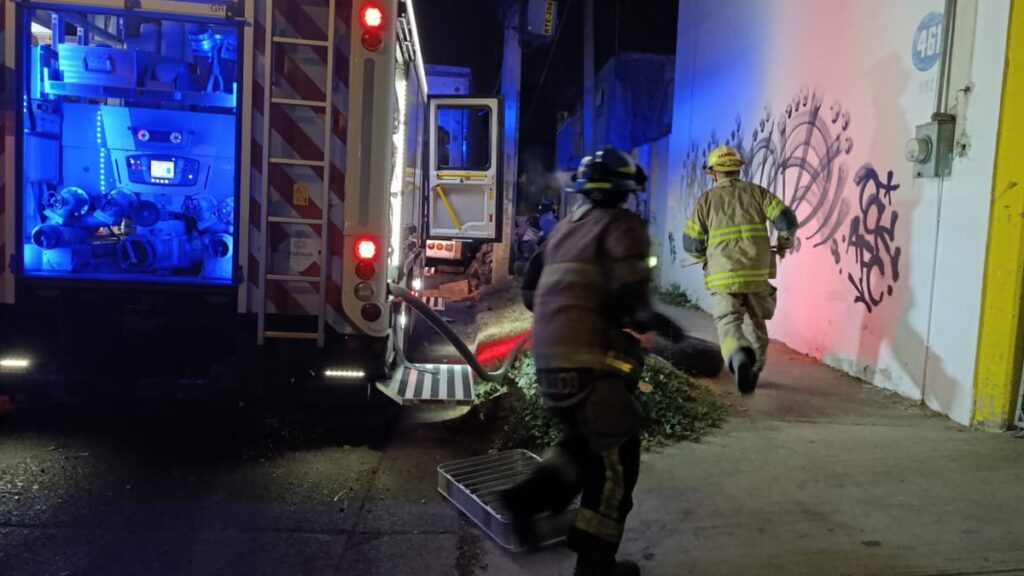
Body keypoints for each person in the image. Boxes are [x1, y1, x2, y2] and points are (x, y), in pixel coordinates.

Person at [502, 147, 684, 576]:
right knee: (620, 465)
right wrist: (661, 324)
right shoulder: (624, 226)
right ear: (624, 190)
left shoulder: (564, 228)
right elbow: (630, 299)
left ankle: (525, 499)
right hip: (592, 368)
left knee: (582, 450)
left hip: (549, 364)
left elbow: (530, 292)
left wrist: (569, 313)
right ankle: (595, 567)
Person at [682, 145, 798, 394]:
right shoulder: (757, 193)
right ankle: (753, 369)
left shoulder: (706, 201)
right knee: (755, 322)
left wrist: (704, 257)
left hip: (722, 274)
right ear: (737, 168)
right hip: (756, 273)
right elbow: (786, 219)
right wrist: (785, 243)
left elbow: (690, 243)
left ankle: (738, 356)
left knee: (728, 322)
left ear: (713, 172)